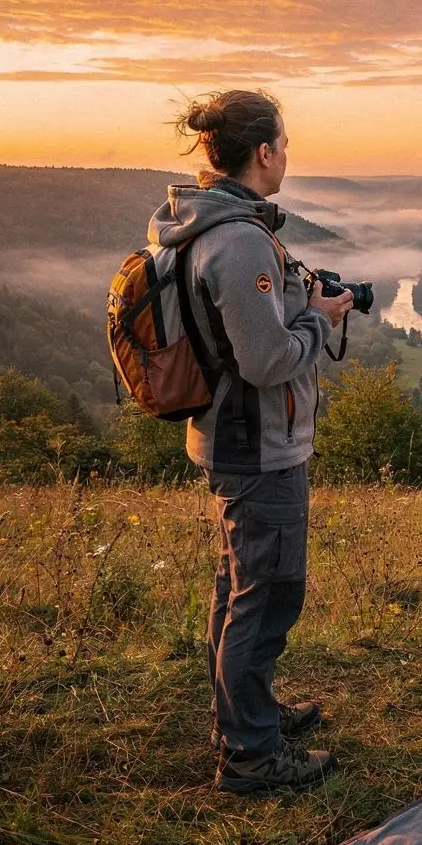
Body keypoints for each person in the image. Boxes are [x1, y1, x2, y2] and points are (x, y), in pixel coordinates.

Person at [148, 89, 353, 793]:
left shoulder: (214, 224)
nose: (288, 155)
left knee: (240, 587)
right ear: (264, 152)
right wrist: (320, 322)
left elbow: (244, 329)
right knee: (266, 595)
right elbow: (266, 362)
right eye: (284, 144)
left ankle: (247, 715)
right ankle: (252, 755)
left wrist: (301, 299)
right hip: (258, 447)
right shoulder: (237, 240)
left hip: (232, 439)